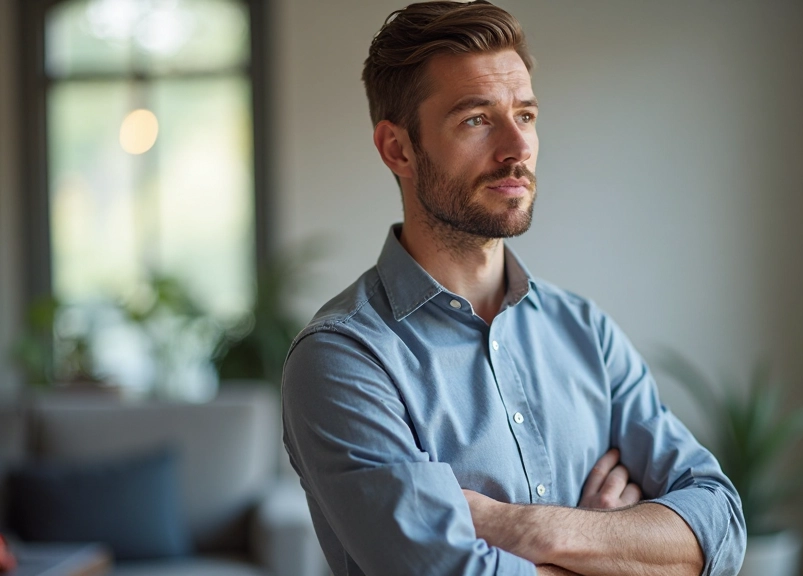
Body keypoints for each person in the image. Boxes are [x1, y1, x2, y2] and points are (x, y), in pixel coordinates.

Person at [281, 2, 746, 575]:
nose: (517, 148)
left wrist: (515, 525)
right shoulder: (343, 359)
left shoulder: (585, 332)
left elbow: (719, 527)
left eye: (524, 115)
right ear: (397, 148)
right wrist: (617, 548)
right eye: (477, 119)